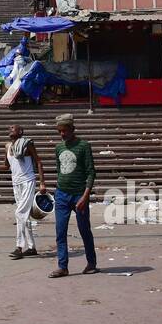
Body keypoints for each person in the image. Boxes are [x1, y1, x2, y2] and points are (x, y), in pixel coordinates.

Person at [49, 113, 98, 278]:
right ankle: (63, 267)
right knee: (60, 232)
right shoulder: (59, 148)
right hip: (61, 194)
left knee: (84, 230)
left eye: (65, 130)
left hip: (79, 195)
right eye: (59, 131)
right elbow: (59, 169)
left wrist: (85, 196)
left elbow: (91, 172)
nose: (62, 134)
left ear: (72, 129)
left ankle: (91, 263)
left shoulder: (84, 146)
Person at [0, 125, 45, 259]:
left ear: (20, 132)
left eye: (14, 128)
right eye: (9, 129)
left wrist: (42, 183)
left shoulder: (27, 144)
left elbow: (39, 162)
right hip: (16, 183)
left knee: (20, 213)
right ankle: (31, 247)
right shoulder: (7, 146)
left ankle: (19, 247)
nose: (10, 130)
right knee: (24, 216)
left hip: (28, 181)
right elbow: (6, 166)